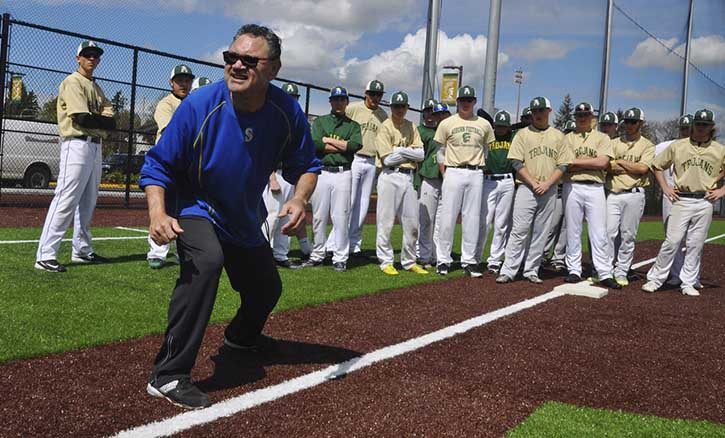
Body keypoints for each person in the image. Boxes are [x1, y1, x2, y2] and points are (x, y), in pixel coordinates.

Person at [140, 24, 321, 409]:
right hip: (195, 205)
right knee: (206, 262)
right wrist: (158, 212)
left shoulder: (286, 111)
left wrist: (300, 199)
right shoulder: (200, 104)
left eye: (249, 60)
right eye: (230, 58)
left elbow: (307, 165)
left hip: (241, 216)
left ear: (273, 68)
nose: (237, 65)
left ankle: (240, 338)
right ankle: (168, 375)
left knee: (267, 288)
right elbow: (157, 165)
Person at [35, 41, 115, 272]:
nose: (92, 58)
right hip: (76, 145)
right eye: (87, 55)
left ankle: (81, 250)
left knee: (89, 201)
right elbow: (81, 118)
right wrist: (98, 120)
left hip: (95, 146)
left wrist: (97, 120)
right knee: (66, 198)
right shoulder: (72, 82)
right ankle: (45, 255)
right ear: (78, 58)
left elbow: (112, 121)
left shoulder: (96, 87)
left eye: (95, 55)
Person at [642, 109, 724, 296]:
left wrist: (721, 190)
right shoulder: (678, 146)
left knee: (696, 243)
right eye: (698, 124)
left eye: (705, 125)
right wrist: (665, 187)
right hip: (682, 199)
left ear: (711, 127)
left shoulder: (719, 149)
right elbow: (657, 165)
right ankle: (655, 279)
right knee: (672, 241)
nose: (701, 128)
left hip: (704, 200)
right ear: (693, 125)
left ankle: (688, 282)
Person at [496, 96, 573, 284]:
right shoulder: (522, 134)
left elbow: (563, 164)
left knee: (541, 231)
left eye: (541, 110)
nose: (538, 114)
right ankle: (509, 270)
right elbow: (515, 161)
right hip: (526, 188)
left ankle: (531, 270)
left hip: (550, 188)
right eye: (535, 111)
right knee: (519, 230)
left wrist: (547, 183)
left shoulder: (558, 135)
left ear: (549, 111)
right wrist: (533, 182)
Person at [434, 85, 494, 277]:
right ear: (457, 101)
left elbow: (487, 149)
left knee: (472, 218)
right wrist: (446, 173)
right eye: (462, 100)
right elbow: (440, 152)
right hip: (453, 170)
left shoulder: (484, 124)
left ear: (474, 101)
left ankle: (469, 261)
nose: (466, 103)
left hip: (475, 172)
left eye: (469, 100)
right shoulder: (447, 123)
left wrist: (478, 166)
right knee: (447, 218)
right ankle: (443, 259)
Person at [301, 86, 361, 272]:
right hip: (323, 172)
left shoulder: (353, 125)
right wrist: (340, 145)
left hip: (343, 173)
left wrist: (329, 140)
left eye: (342, 99)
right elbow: (315, 144)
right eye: (336, 99)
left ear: (346, 102)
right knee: (319, 216)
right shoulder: (320, 122)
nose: (339, 103)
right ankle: (318, 254)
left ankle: (340, 257)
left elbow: (354, 146)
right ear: (330, 101)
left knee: (341, 216)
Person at [561, 102, 620, 289]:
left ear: (592, 117)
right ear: (575, 118)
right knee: (573, 229)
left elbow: (603, 163)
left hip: (595, 187)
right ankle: (574, 270)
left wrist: (578, 163)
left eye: (586, 114)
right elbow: (566, 163)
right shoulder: (567, 138)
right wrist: (590, 162)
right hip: (572, 186)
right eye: (579, 115)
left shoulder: (602, 138)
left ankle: (603, 272)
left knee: (599, 231)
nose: (583, 118)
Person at [146, 64, 195, 269]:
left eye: (187, 80)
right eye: (179, 80)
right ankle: (156, 252)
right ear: (171, 83)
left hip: (188, 162)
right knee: (164, 206)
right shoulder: (166, 104)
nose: (183, 84)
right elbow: (169, 132)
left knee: (184, 207)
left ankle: (181, 250)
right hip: (168, 161)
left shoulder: (194, 102)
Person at [375, 91, 428, 275]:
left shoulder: (411, 126)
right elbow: (387, 160)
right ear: (391, 107)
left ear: (407, 107)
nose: (400, 109)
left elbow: (421, 155)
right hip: (390, 175)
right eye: (396, 106)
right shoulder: (385, 127)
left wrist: (399, 150)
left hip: (408, 176)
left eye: (402, 106)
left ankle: (409, 261)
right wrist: (408, 152)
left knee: (412, 223)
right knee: (386, 221)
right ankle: (385, 261)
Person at [262, 82, 313, 268]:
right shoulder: (271, 119)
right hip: (275, 173)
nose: (291, 100)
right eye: (288, 97)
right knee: (272, 215)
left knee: (287, 216)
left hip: (292, 174)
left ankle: (280, 255)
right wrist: (271, 176)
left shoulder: (299, 121)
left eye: (294, 97)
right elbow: (264, 153)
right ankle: (263, 254)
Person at [605, 107, 654, 286]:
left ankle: (622, 271)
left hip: (634, 194)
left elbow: (643, 169)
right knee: (608, 233)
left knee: (628, 235)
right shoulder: (613, 142)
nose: (629, 125)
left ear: (641, 123)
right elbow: (607, 166)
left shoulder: (647, 145)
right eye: (627, 121)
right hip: (614, 193)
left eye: (633, 122)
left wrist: (620, 162)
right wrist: (630, 166)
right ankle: (606, 270)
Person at [344, 79, 388, 256]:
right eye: (372, 94)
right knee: (349, 201)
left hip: (371, 161)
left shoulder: (383, 115)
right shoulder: (353, 108)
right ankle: (337, 243)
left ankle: (355, 244)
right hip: (354, 158)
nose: (375, 98)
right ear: (366, 94)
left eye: (378, 95)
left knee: (363, 205)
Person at [654, 114, 693, 286]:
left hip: (693, 197)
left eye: (689, 128)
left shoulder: (702, 148)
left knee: (693, 239)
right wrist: (665, 187)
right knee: (672, 237)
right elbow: (655, 166)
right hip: (671, 195)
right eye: (683, 128)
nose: (686, 131)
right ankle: (677, 274)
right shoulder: (664, 146)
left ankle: (692, 276)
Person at [475, 110, 515, 275]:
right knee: (484, 222)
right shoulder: (487, 136)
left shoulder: (513, 137)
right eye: (498, 126)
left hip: (507, 181)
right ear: (493, 126)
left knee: (501, 224)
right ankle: (475, 258)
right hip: (488, 180)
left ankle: (494, 261)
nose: (501, 129)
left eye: (504, 127)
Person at [415, 98, 442, 268]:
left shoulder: (444, 129)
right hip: (428, 178)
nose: (430, 114)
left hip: (445, 179)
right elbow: (417, 160)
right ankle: (424, 256)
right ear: (423, 113)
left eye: (433, 111)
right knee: (425, 220)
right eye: (427, 111)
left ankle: (437, 255)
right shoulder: (419, 131)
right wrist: (417, 180)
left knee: (441, 221)